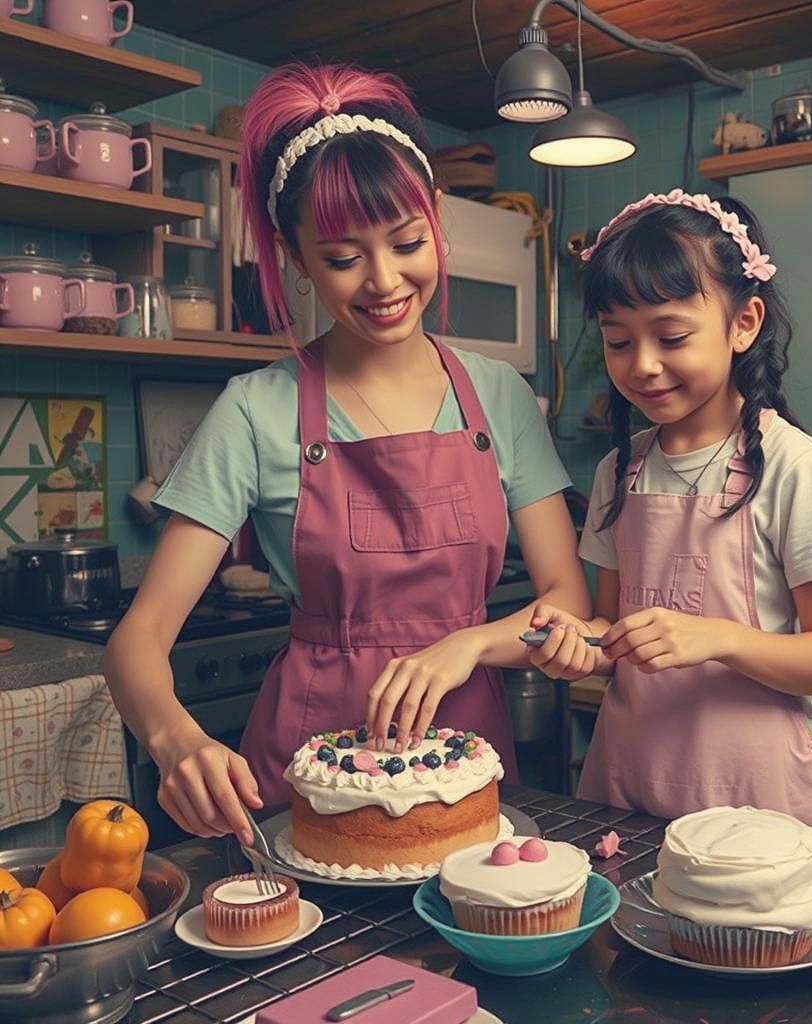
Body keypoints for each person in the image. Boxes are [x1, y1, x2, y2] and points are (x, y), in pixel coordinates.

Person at [102, 62, 589, 844]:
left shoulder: (498, 396)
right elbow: (138, 639)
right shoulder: (255, 409)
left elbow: (567, 600)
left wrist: (469, 645)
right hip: (303, 775)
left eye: (406, 242)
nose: (384, 281)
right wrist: (175, 739)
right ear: (295, 257)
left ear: (436, 219)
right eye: (341, 258)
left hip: (464, 766)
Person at [528, 189, 812, 860]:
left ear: (744, 323)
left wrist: (715, 638)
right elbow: (608, 631)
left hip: (755, 797)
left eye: (671, 336)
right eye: (619, 341)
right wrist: (573, 647)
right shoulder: (616, 473)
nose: (643, 364)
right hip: (631, 785)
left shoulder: (795, 467)